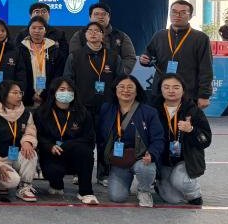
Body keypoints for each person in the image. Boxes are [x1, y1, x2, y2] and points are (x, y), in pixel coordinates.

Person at [63, 21, 123, 184]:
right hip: (82, 106)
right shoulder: (75, 56)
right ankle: (79, 172)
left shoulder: (113, 57)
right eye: (90, 30)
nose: (94, 33)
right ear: (85, 35)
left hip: (107, 106)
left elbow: (121, 81)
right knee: (81, 140)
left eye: (98, 31)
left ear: (103, 35)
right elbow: (68, 80)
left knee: (105, 140)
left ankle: (103, 174)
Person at [98, 75, 163, 207]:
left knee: (145, 168)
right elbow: (101, 137)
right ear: (115, 89)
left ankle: (144, 190)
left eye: (130, 87)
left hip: (141, 158)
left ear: (137, 90)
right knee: (117, 197)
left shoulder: (149, 112)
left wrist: (152, 154)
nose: (125, 90)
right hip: (120, 161)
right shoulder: (106, 109)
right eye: (121, 87)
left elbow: (158, 139)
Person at [34, 78, 98, 204]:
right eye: (62, 89)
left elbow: (89, 138)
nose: (66, 93)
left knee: (86, 152)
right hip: (52, 154)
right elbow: (38, 136)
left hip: (74, 154)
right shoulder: (42, 112)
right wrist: (49, 146)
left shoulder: (83, 112)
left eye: (69, 90)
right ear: (54, 92)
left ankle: (86, 192)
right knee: (52, 172)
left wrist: (68, 145)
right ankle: (56, 184)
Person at [140, 0, 213, 109]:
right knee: (158, 120)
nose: (177, 15)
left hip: (188, 93)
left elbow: (206, 68)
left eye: (183, 12)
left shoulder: (200, 38)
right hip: (161, 92)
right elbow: (148, 55)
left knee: (185, 120)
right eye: (174, 12)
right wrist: (144, 60)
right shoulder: (159, 35)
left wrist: (204, 95)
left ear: (190, 16)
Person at [156, 73, 211, 205]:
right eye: (166, 87)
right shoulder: (153, 110)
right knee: (174, 199)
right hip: (163, 161)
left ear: (183, 90)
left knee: (181, 181)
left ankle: (194, 194)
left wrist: (191, 130)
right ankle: (159, 183)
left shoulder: (193, 111)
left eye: (176, 87)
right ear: (160, 89)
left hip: (185, 160)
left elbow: (206, 140)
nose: (171, 91)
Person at [0, 81, 38, 202]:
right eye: (14, 93)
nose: (19, 96)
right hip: (0, 159)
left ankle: (25, 187)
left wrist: (28, 141)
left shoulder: (26, 113)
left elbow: (30, 131)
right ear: (4, 94)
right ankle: (1, 181)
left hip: (17, 155)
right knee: (12, 180)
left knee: (31, 153)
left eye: (20, 93)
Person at [71, 2, 136, 75]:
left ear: (109, 17)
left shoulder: (121, 36)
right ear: (90, 17)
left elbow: (129, 58)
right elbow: (74, 57)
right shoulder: (79, 35)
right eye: (96, 14)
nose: (100, 17)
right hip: (86, 76)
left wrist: (119, 73)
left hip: (114, 77)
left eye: (104, 14)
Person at [17, 15, 66, 107]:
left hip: (48, 98)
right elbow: (20, 74)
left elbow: (58, 75)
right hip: (26, 98)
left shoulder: (54, 50)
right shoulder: (20, 49)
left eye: (40, 28)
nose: (37, 31)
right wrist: (30, 94)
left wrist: (45, 94)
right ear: (28, 30)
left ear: (45, 30)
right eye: (34, 28)